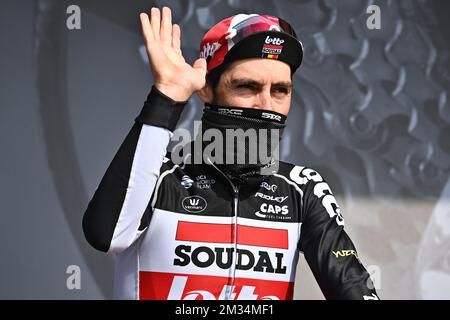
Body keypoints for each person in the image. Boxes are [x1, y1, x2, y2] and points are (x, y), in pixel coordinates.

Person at [82, 6, 379, 300]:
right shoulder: (161, 177)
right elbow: (106, 233)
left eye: (280, 91)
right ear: (206, 89)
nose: (265, 104)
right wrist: (167, 98)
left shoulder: (301, 188)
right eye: (247, 87)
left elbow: (353, 289)